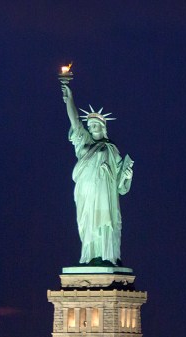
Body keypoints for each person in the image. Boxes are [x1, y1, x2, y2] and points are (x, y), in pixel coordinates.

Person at [62, 82, 133, 265]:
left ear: (103, 127)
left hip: (104, 192)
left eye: (96, 124)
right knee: (88, 223)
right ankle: (89, 255)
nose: (92, 127)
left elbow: (120, 183)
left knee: (105, 221)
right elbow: (75, 121)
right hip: (86, 191)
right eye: (90, 124)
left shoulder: (111, 149)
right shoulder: (83, 142)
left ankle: (107, 256)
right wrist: (69, 99)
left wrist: (127, 174)